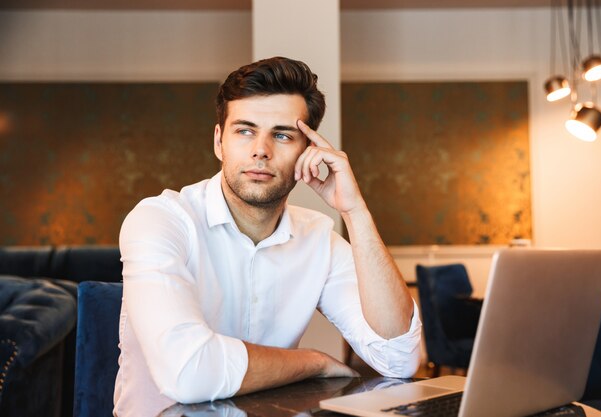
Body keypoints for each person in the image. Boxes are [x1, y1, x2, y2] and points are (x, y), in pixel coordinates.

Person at [113, 57, 421, 416]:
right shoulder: (161, 220)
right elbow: (188, 373)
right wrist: (313, 363)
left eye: (281, 134)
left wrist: (355, 212)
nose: (261, 150)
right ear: (219, 142)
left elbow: (399, 359)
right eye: (245, 131)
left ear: (308, 152)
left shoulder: (318, 238)